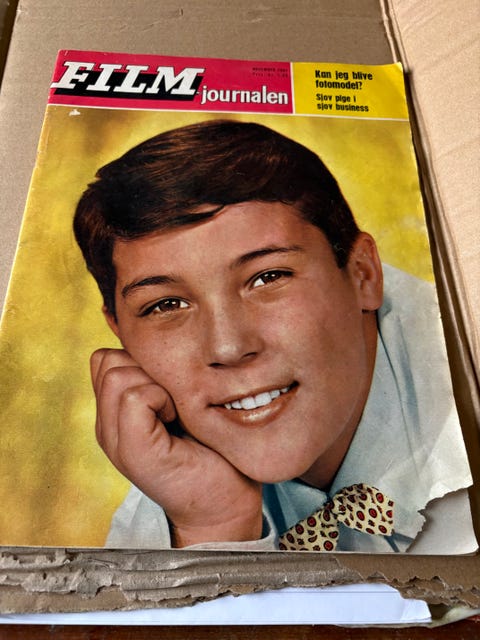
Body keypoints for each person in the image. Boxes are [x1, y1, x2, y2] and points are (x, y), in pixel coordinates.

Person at [73, 119, 476, 553]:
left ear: (362, 274)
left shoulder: (462, 375)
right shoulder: (174, 483)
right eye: (166, 305)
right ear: (119, 333)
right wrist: (215, 525)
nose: (228, 347)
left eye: (268, 277)